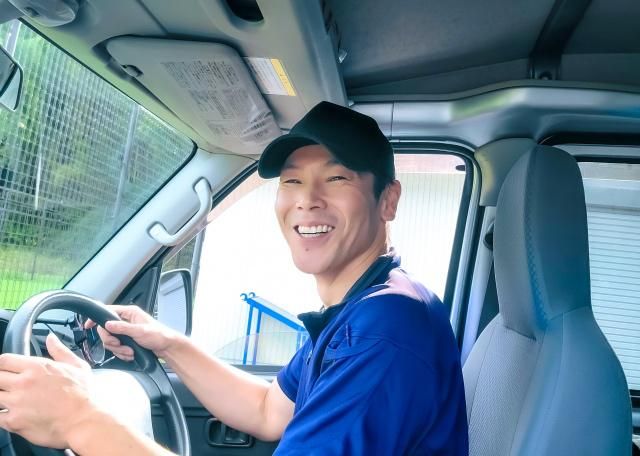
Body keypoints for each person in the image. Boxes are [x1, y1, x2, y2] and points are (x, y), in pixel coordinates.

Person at [0, 101, 468, 454]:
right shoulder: (363, 307)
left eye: (337, 178)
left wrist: (80, 419)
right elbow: (269, 410)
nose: (307, 199)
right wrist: (167, 343)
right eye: (291, 181)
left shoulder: (385, 330)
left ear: (388, 200)